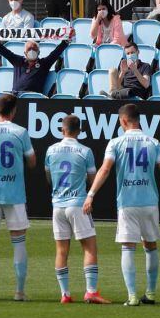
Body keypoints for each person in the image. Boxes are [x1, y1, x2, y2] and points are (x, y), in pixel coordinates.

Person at [83, 104, 160, 307]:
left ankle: (132, 296)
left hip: (127, 202)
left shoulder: (116, 143)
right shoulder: (153, 142)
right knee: (150, 245)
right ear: (139, 120)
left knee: (128, 247)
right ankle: (151, 294)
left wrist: (91, 194)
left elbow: (105, 169)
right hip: (150, 202)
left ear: (123, 121)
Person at [0, 93, 37, 302]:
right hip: (14, 192)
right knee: (19, 242)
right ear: (13, 110)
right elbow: (31, 162)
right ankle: (19, 292)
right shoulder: (20, 132)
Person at [45, 114, 108, 304]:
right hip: (78, 204)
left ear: (62, 130)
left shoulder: (51, 150)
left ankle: (65, 294)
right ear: (79, 131)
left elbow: (48, 177)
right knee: (89, 248)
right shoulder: (85, 151)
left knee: (61, 251)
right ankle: (91, 292)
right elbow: (93, 179)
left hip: (57, 205)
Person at [0, 35, 71, 96]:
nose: (32, 51)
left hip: (33, 97)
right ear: (25, 53)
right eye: (29, 49)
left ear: (38, 52)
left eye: (34, 49)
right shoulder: (18, 61)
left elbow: (56, 53)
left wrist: (66, 41)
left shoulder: (44, 64)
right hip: (16, 96)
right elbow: (2, 50)